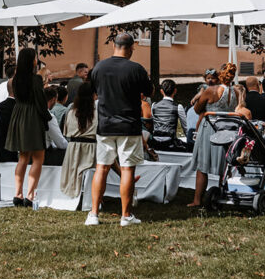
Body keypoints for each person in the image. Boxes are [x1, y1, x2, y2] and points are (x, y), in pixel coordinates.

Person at [85, 32, 152, 227]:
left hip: (105, 124)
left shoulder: (99, 68)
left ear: (114, 45)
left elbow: (93, 92)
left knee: (101, 168)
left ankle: (93, 214)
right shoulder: (136, 69)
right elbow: (149, 92)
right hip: (128, 125)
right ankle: (126, 215)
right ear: (131, 47)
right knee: (127, 168)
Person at [188, 63, 248, 207]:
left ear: (220, 75)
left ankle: (197, 200)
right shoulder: (237, 92)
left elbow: (197, 109)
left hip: (210, 128)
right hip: (228, 130)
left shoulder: (211, 90)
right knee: (225, 165)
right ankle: (225, 194)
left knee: (202, 166)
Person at [5, 48, 51, 206]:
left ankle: (17, 194)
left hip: (19, 114)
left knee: (23, 157)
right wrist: (46, 117)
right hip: (32, 117)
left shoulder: (16, 79)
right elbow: (40, 102)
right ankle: (30, 196)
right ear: (32, 60)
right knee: (38, 157)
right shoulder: (36, 80)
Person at [60, 81, 98, 198]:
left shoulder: (70, 113)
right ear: (93, 96)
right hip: (91, 150)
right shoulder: (97, 113)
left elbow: (66, 133)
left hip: (73, 148)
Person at [150, 79, 189, 150]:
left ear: (161, 91)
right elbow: (185, 127)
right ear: (175, 91)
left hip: (155, 141)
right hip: (170, 142)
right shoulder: (178, 107)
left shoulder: (154, 105)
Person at [43, 85, 69, 166]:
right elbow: (60, 143)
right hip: (45, 155)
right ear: (54, 99)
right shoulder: (49, 117)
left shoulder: (32, 113)